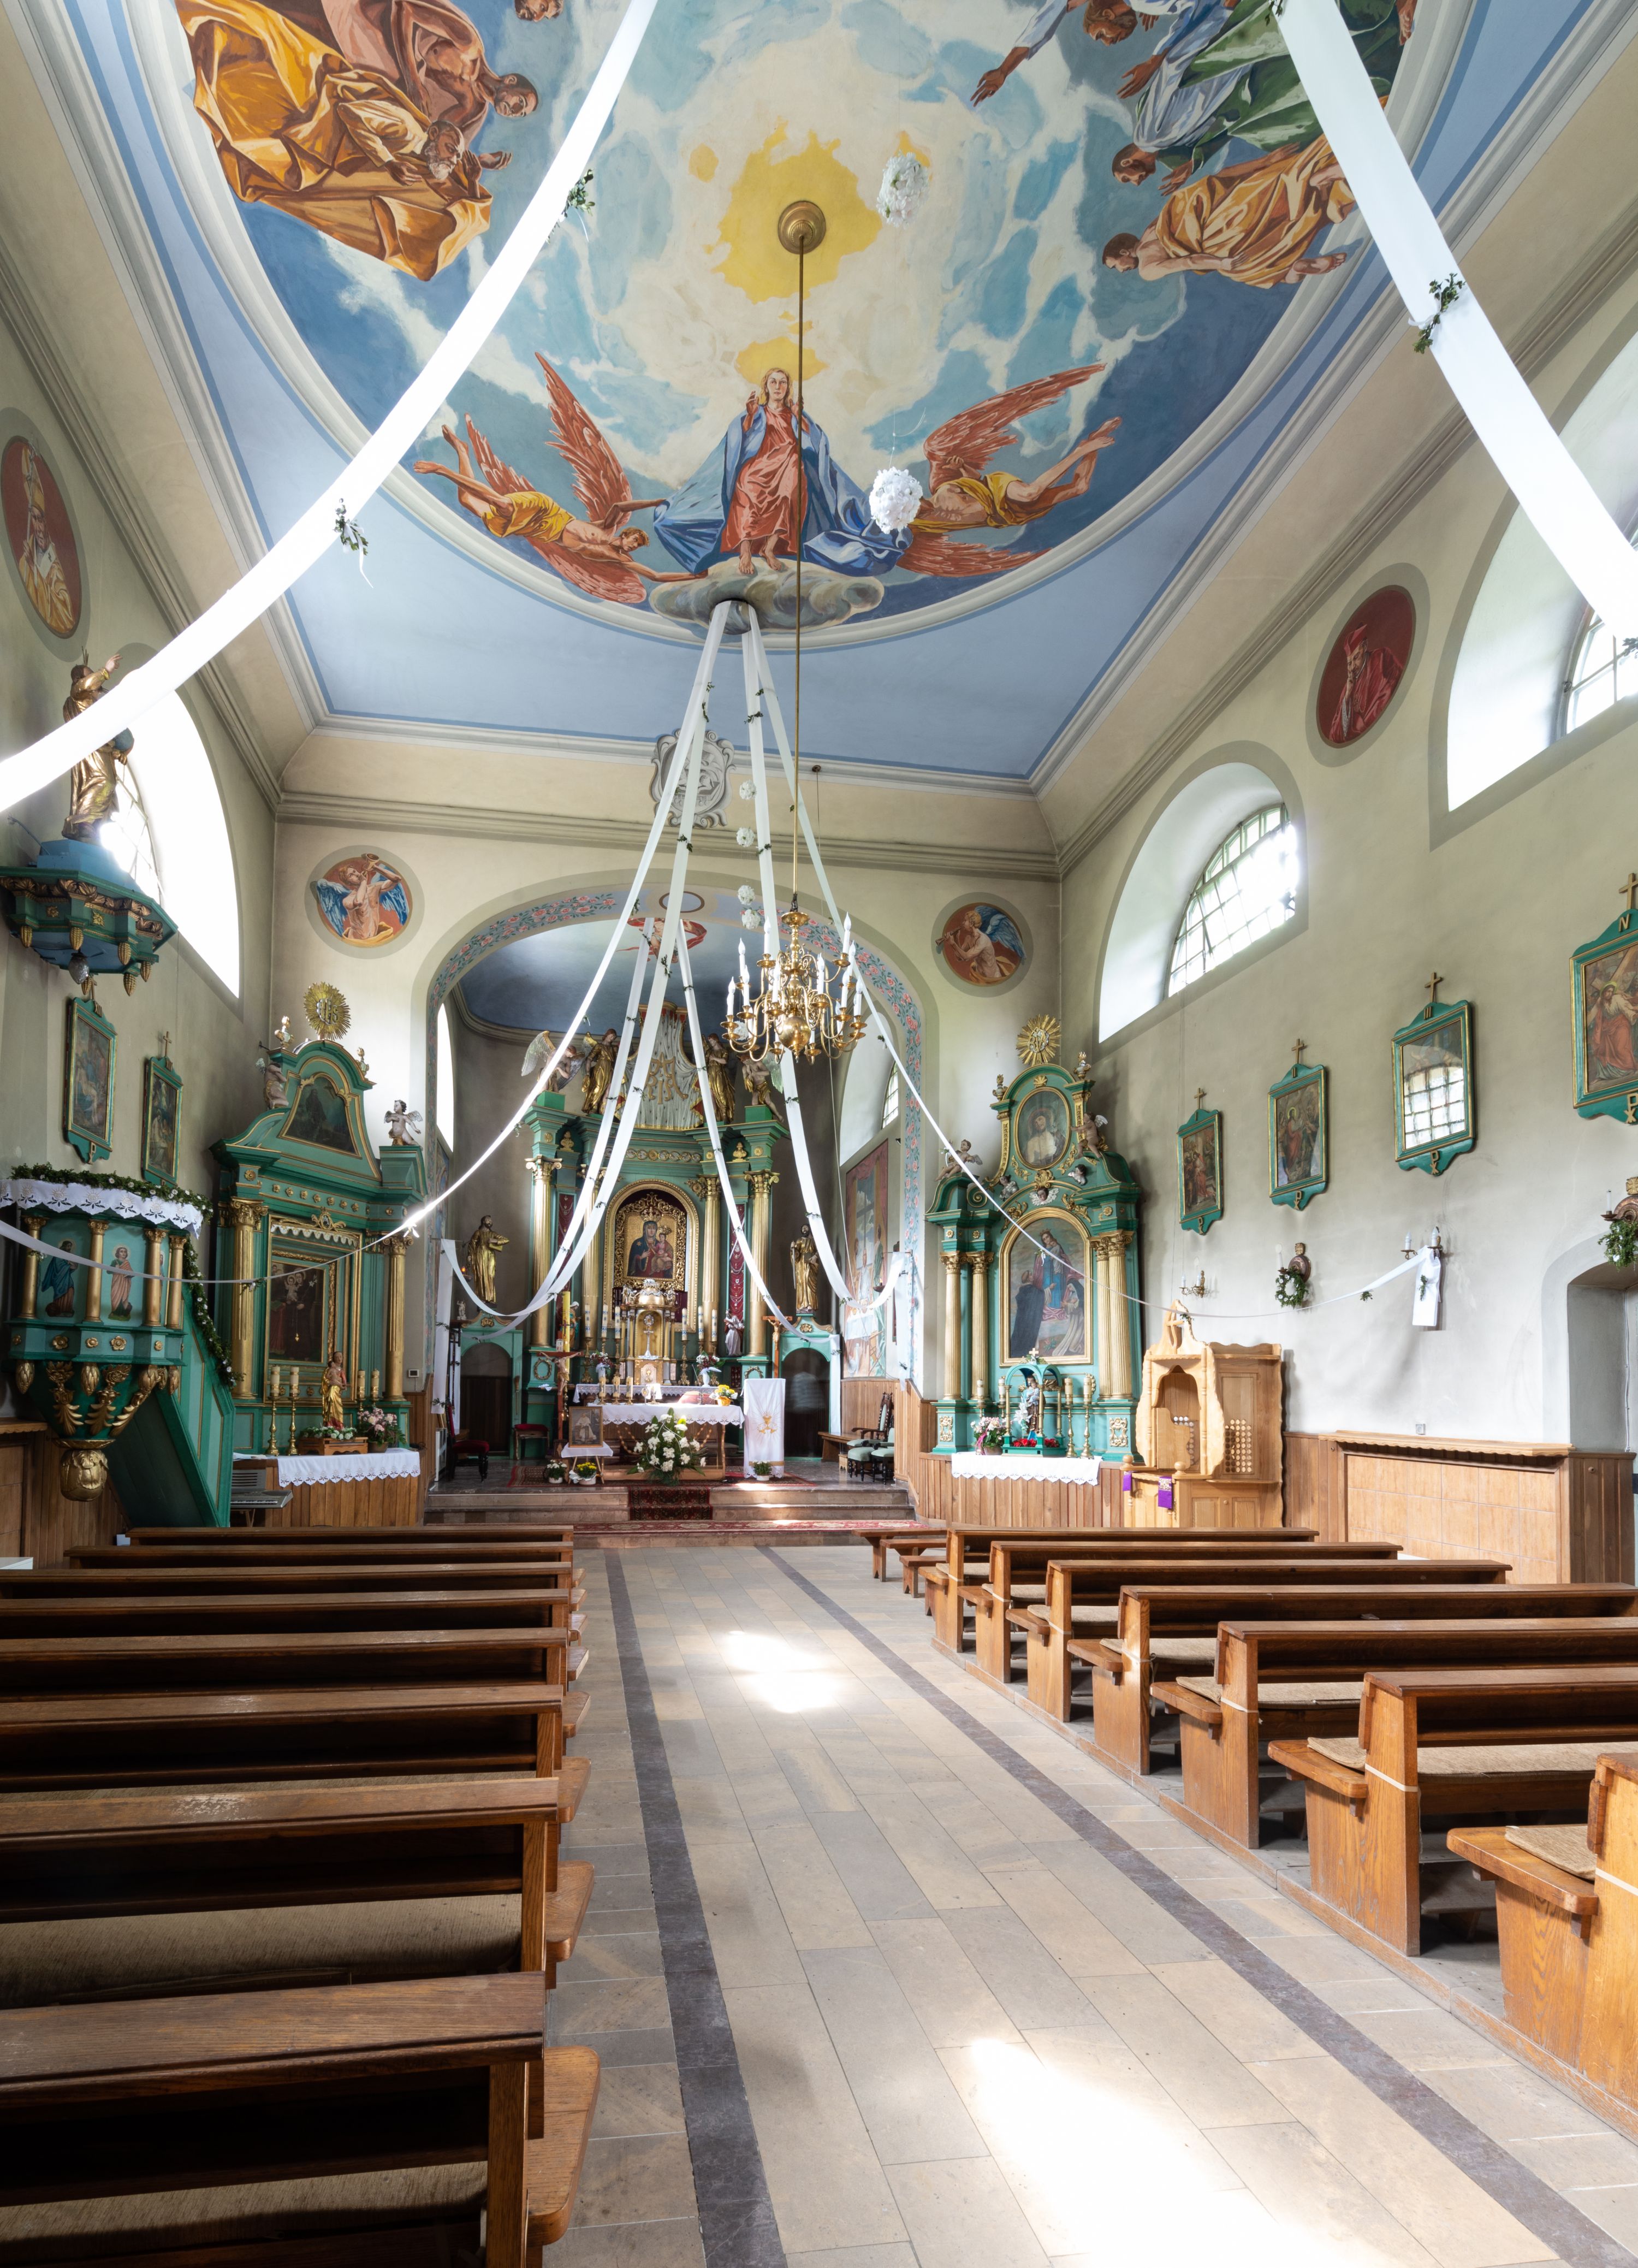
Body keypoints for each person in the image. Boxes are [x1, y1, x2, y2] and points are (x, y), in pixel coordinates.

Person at [1102, 139, 1353, 290]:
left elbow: (1187, 262)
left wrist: (1220, 263)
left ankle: (1293, 269)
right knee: (1272, 192)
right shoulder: (1152, 228)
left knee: (1253, 268)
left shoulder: (1146, 269)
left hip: (1218, 237)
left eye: (1116, 266)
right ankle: (1316, 182)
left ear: (1124, 252)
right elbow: (1218, 178)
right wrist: (1264, 162)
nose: (1121, 271)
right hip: (1217, 206)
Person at [61, 656, 134, 843]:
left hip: (102, 749)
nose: (95, 681)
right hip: (90, 748)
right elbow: (86, 685)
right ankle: (84, 822)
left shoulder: (96, 708)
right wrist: (105, 672)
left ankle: (93, 826)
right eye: (89, 675)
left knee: (109, 785)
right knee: (104, 781)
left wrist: (120, 752)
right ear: (79, 680)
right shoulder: (78, 695)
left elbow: (115, 736)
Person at [15, 446, 76, 636]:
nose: (39, 527)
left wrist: (34, 568)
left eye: (41, 519)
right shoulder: (26, 559)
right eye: (34, 519)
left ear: (47, 522)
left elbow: (65, 618)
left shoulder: (55, 562)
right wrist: (30, 565)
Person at [465, 1216, 507, 1304]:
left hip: (490, 1255)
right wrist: (470, 1255)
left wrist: (495, 1241)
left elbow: (506, 1240)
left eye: (491, 1221)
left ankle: (491, 1299)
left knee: (491, 1276)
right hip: (480, 1254)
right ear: (483, 1222)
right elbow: (472, 1244)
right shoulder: (478, 1232)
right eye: (488, 1220)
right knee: (481, 1275)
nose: (490, 1222)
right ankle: (482, 1298)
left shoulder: (493, 1234)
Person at [42, 1240, 77, 1319]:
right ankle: (59, 1311)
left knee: (70, 1291)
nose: (70, 1248)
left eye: (71, 1246)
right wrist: (69, 1266)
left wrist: (71, 1265)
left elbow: (73, 1266)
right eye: (68, 1246)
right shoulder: (58, 1255)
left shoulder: (68, 1256)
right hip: (59, 1279)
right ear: (64, 1246)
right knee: (61, 1295)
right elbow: (59, 1267)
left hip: (67, 1278)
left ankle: (67, 1311)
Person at [108, 1246, 134, 1318]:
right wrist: (115, 1268)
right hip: (117, 1281)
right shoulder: (115, 1262)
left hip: (125, 1282)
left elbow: (131, 1271)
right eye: (121, 1252)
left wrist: (130, 1274)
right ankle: (115, 1312)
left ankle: (123, 1313)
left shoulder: (127, 1263)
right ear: (118, 1253)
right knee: (116, 1296)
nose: (124, 1253)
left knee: (123, 1297)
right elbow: (108, 1271)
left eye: (125, 1252)